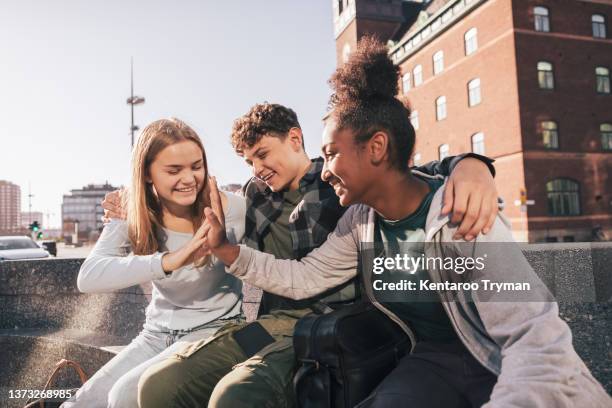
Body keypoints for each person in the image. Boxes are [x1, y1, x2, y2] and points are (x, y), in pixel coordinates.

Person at [200, 37, 611, 407]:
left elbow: (535, 342)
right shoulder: (361, 222)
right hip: (428, 361)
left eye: (332, 154)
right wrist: (225, 250)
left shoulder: (459, 215)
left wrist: (470, 164)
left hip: (496, 361)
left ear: (376, 147)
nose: (323, 171)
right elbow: (305, 277)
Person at [111, 101, 500, 407]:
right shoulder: (254, 195)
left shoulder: (339, 179)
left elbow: (405, 172)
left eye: (263, 154)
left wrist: (470, 164)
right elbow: (190, 196)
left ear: (295, 139)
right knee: (163, 384)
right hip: (268, 325)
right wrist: (131, 198)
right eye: (248, 160)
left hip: (327, 325)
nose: (257, 167)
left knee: (238, 395)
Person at [61, 118, 246, 408]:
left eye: (196, 166)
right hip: (155, 334)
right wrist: (169, 261)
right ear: (147, 173)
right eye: (174, 170)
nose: (189, 179)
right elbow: (89, 277)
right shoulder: (132, 212)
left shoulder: (231, 208)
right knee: (78, 404)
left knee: (123, 396)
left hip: (216, 331)